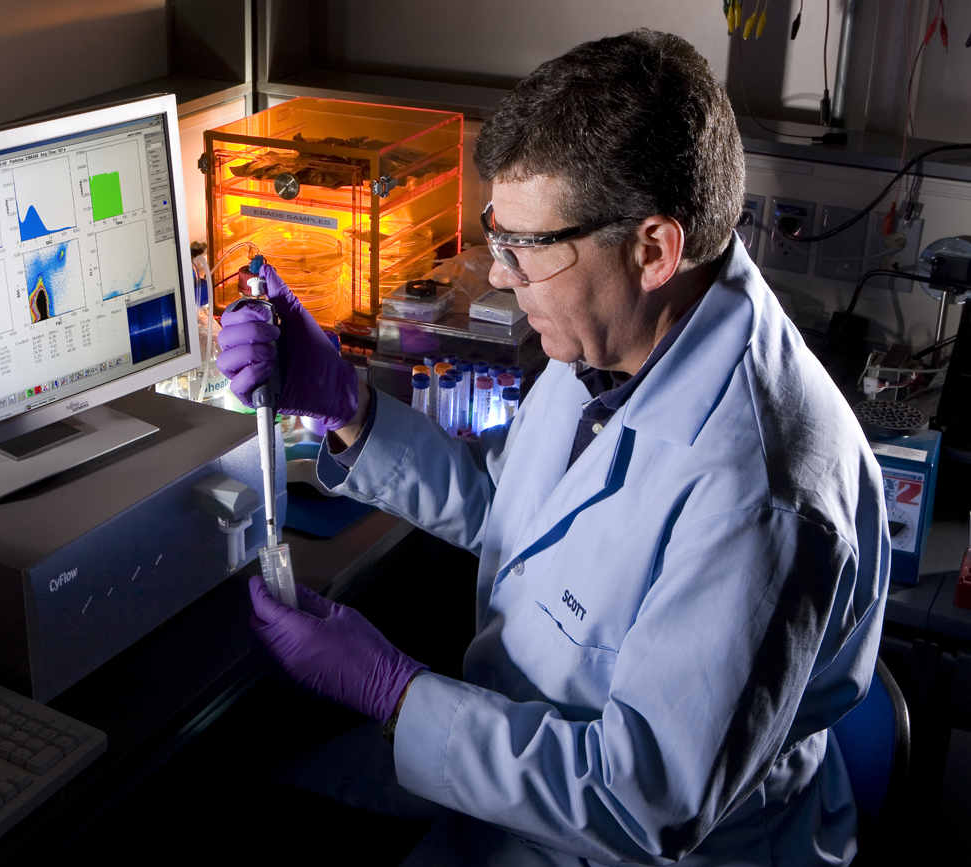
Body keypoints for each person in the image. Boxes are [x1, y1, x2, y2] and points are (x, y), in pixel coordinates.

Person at [216, 29, 888, 866]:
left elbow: (646, 804)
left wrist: (394, 693)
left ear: (653, 248)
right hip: (513, 781)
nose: (499, 275)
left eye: (525, 249)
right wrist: (349, 408)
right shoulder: (617, 336)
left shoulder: (760, 491)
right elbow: (520, 515)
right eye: (500, 237)